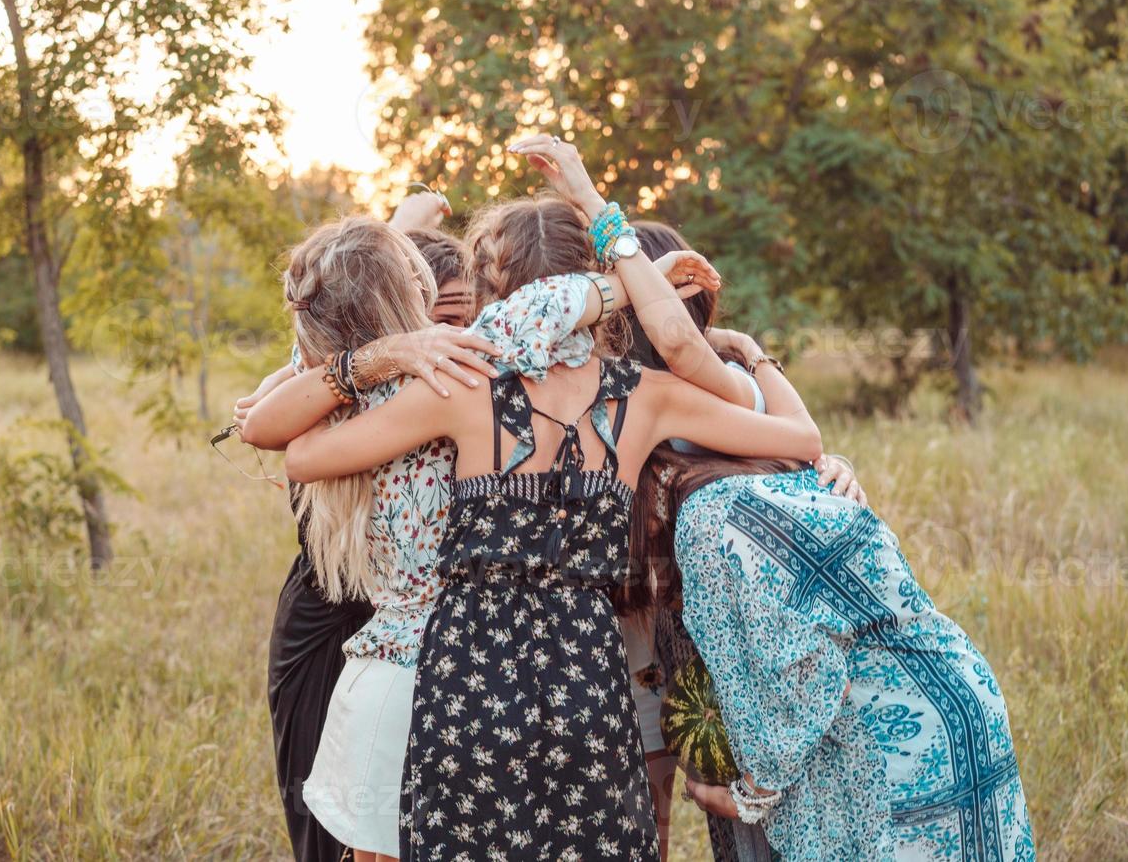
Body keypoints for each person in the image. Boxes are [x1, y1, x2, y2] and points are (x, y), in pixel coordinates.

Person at [281, 134, 825, 860]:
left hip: (467, 673)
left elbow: (303, 452)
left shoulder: (462, 391)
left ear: (484, 294)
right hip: (584, 673)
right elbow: (800, 441)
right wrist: (748, 350)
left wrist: (373, 361)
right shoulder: (650, 398)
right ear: (589, 285)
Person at [242, 199, 720, 861]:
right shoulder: (457, 372)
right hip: (455, 670)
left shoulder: (396, 385)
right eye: (422, 289)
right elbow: (538, 312)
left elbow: (275, 429)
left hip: (427, 672)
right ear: (406, 300)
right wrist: (636, 276)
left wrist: (381, 347)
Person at [623, 229, 1036, 862]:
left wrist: (748, 794)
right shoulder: (757, 423)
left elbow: (801, 667)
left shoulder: (710, 502)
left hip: (889, 749)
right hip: (951, 706)